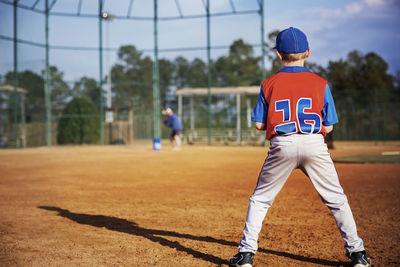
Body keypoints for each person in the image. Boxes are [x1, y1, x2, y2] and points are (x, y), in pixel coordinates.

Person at [229, 27, 371, 267]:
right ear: (308, 52)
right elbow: (329, 126)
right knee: (336, 199)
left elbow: (258, 124)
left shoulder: (268, 84)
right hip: (314, 142)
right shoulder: (320, 83)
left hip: (281, 145)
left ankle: (246, 255)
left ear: (278, 54)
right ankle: (358, 254)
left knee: (261, 200)